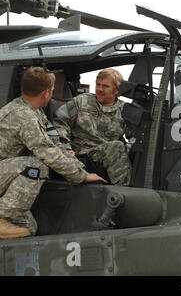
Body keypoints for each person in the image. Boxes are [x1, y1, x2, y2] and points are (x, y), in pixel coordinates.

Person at [0, 67, 107, 239]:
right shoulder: (22, 116)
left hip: (5, 174)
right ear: (45, 93)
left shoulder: (34, 112)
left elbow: (53, 141)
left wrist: (74, 160)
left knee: (27, 228)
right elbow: (46, 152)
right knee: (36, 166)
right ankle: (1, 216)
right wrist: (81, 175)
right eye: (51, 91)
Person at [53, 68, 134, 185]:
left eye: (105, 86)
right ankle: (123, 192)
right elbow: (59, 122)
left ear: (116, 90)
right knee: (117, 147)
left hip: (109, 155)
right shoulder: (81, 102)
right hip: (81, 155)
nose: (100, 89)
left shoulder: (124, 110)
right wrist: (65, 148)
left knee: (119, 148)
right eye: (98, 85)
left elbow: (137, 137)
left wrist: (128, 150)